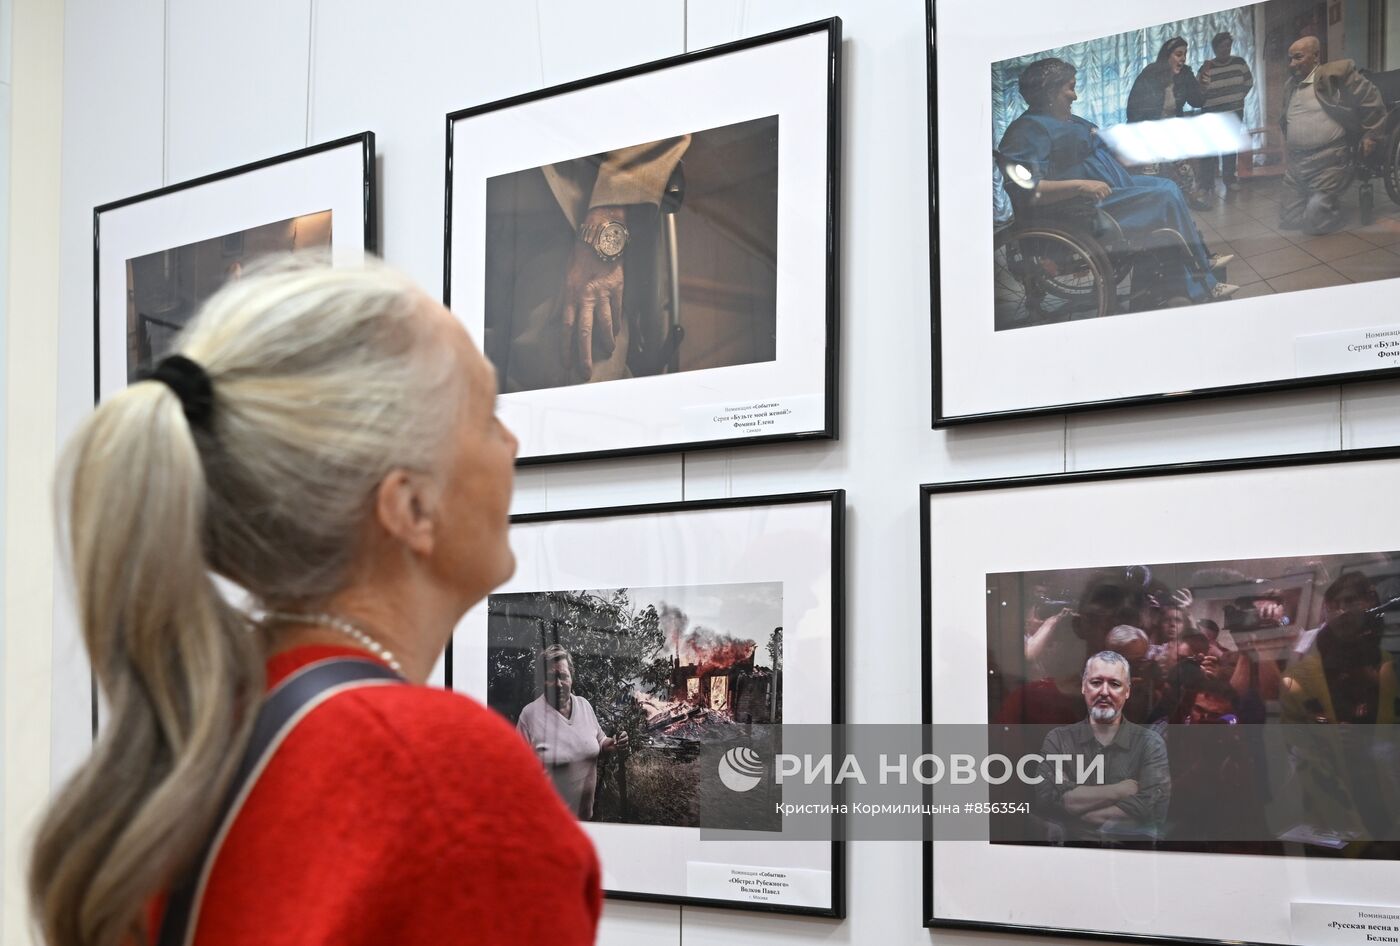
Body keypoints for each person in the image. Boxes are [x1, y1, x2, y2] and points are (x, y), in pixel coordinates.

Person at [28, 258, 602, 946]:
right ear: (411, 507)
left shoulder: (197, 739)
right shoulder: (440, 777)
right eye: (486, 418)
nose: (512, 445)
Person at [999, 58, 1237, 305]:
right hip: (1083, 207)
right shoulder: (1028, 130)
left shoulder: (1064, 117)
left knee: (1168, 186)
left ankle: (1200, 259)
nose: (1075, 96)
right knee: (1164, 194)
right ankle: (1201, 284)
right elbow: (1025, 190)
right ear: (1050, 91)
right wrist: (1081, 185)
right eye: (1069, 88)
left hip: (1109, 188)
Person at [484, 136, 691, 393]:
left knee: (569, 386)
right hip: (478, 219)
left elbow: (657, 111)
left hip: (567, 225)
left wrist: (607, 218)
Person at [1035, 651, 1172, 840]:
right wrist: (1122, 790)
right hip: (1070, 859)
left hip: (1130, 860)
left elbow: (1152, 810)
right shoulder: (1058, 740)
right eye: (1096, 682)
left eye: (1115, 684)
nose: (1104, 692)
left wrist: (1073, 809)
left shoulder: (1150, 744)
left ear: (1128, 691)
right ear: (1083, 687)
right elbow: (1045, 800)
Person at [1279, 35, 1387, 234]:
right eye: (1290, 59)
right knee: (1289, 220)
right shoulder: (1290, 86)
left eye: (1298, 57)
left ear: (1316, 56)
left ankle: (1327, 207)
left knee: (1315, 224)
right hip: (1297, 165)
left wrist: (1371, 134)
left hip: (1330, 161)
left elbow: (1371, 100)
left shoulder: (1334, 75)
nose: (1292, 64)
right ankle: (1318, 200)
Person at [516, 643, 630, 819]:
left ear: (571, 678)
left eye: (563, 676)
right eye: (551, 677)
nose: (558, 684)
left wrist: (614, 743)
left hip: (585, 818)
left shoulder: (584, 705)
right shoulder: (530, 715)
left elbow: (600, 741)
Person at [1125, 37, 1210, 209]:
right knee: (1151, 173)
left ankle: (1191, 200)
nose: (1183, 58)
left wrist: (1203, 86)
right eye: (1179, 54)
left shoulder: (1185, 74)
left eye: (1185, 54)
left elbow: (1196, 101)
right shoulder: (1150, 74)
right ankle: (1152, 208)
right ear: (1167, 56)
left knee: (1185, 169)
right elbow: (1133, 107)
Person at [1198, 31, 1255, 194]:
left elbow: (1248, 82)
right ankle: (1206, 185)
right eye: (1222, 46)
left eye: (1228, 46)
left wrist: (1237, 99)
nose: (1226, 49)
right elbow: (1199, 89)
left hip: (1233, 112)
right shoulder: (1207, 66)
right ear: (1215, 48)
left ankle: (1229, 180)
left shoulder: (1239, 63)